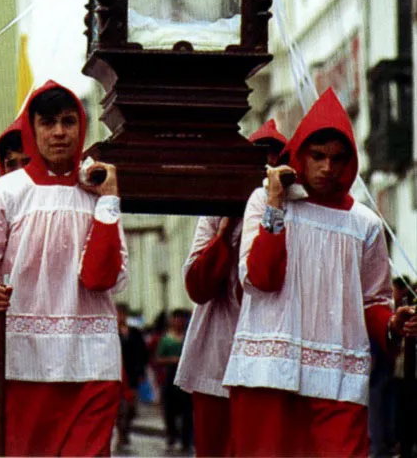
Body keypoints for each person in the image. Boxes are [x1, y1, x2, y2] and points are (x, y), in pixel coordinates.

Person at [224, 87, 417, 457]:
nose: (328, 168)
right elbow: (261, 278)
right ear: (299, 155)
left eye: (338, 158)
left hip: (337, 375)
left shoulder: (365, 224)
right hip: (269, 372)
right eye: (318, 156)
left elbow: (373, 301)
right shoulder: (263, 201)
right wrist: (277, 204)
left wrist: (393, 324)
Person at [0, 80, 128, 457]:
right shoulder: (6, 193)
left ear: (82, 127)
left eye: (68, 121)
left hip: (90, 362)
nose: (59, 132)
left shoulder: (98, 192)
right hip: (21, 364)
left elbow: (100, 277)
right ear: (33, 130)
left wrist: (109, 202)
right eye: (48, 123)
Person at [175, 119, 287, 457]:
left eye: (273, 163)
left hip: (268, 357)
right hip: (217, 356)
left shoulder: (293, 212)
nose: (264, 174)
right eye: (257, 165)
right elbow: (197, 286)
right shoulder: (215, 211)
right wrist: (224, 232)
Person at [156, 309, 193, 454]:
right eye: (176, 319)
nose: (179, 322)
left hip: (186, 379)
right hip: (170, 377)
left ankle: (185, 441)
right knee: (170, 411)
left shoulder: (188, 338)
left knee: (187, 412)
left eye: (181, 319)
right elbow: (158, 358)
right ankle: (171, 437)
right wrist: (171, 360)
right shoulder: (166, 339)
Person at [115, 302, 149, 450]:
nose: (120, 317)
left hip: (132, 374)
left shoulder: (134, 332)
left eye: (122, 313)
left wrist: (141, 372)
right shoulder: (110, 332)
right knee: (120, 408)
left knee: (131, 408)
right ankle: (121, 435)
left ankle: (125, 430)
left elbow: (142, 353)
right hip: (116, 374)